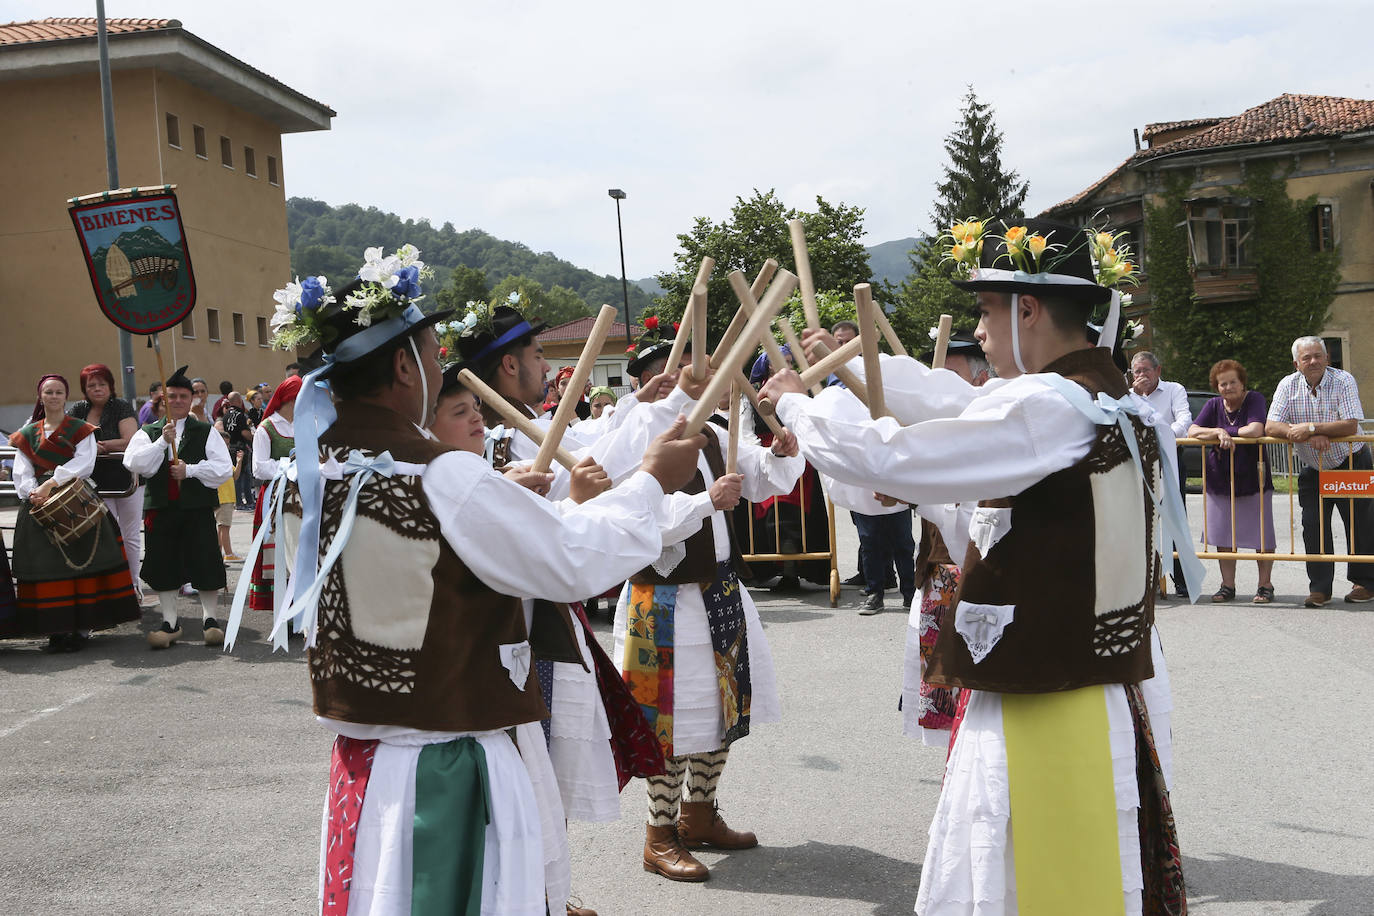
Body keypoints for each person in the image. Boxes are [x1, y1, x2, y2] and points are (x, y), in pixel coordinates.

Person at [764, 216, 1195, 914]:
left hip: (1046, 692)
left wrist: (795, 404)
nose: (982, 330)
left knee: (1013, 874)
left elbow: (895, 456)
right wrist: (849, 363)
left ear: (1027, 309)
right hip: (1084, 681)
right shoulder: (1109, 398)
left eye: (987, 310)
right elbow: (965, 411)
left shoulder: (1053, 407)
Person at [256, 246, 701, 915]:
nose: (443, 368)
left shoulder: (306, 473)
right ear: (404, 366)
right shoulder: (438, 473)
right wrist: (650, 486)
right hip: (447, 767)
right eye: (435, 354)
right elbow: (569, 558)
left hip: (365, 762)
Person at [603, 329, 803, 883]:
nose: (711, 380)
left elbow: (760, 480)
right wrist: (703, 502)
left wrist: (783, 452)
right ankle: (658, 834)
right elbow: (632, 517)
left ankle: (699, 814)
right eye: (699, 370)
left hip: (718, 591)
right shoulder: (641, 432)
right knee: (666, 721)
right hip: (660, 598)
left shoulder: (715, 433)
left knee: (721, 712)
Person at [7, 374, 140, 651]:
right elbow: (22, 468)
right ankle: (55, 629)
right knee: (48, 569)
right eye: (49, 392)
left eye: (58, 392)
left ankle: (81, 629)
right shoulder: (28, 432)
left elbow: (84, 464)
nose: (53, 396)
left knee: (83, 566)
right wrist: (32, 492)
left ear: (65, 397)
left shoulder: (81, 429)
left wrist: (51, 484)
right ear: (40, 397)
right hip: (38, 506)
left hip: (75, 503)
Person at [123, 366, 233, 648]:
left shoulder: (205, 431)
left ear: (192, 400)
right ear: (162, 400)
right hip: (161, 507)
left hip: (196, 507)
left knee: (205, 560)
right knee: (164, 564)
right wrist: (162, 442)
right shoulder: (148, 432)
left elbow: (223, 469)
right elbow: (135, 464)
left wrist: (191, 470)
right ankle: (170, 622)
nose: (178, 401)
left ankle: (210, 620)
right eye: (171, 396)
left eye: (184, 396)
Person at [1265, 335, 1374, 608]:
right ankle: (1320, 589)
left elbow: (1350, 425)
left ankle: (1365, 583)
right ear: (1296, 363)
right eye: (1307, 358)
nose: (1313, 361)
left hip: (1351, 461)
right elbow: (1271, 426)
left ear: (1327, 358)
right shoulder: (1287, 386)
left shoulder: (1343, 380)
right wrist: (1298, 433)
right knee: (1313, 526)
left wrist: (1313, 428)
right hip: (1314, 467)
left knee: (1361, 524)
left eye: (1318, 356)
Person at [1188, 359, 1276, 603]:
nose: (1227, 387)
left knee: (1262, 533)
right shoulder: (1213, 404)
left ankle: (1265, 585)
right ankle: (1228, 585)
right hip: (1219, 478)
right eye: (1222, 383)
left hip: (1253, 477)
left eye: (1232, 382)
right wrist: (1218, 432)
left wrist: (1229, 433)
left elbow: (1255, 430)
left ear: (1242, 382)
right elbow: (1193, 431)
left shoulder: (1255, 399)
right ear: (1217, 387)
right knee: (1223, 534)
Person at [67, 363, 145, 596]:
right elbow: (67, 439)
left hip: (128, 481)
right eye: (92, 385)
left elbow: (131, 439)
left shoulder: (121, 407)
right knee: (106, 533)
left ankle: (133, 585)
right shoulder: (79, 409)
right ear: (84, 388)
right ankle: (110, 587)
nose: (97, 389)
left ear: (110, 386)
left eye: (102, 384)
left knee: (130, 534)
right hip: (96, 483)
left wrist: (100, 447)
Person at [1131, 350, 1193, 597]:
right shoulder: (1128, 395)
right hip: (1140, 462)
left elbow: (1184, 421)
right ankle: (1147, 579)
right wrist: (1134, 396)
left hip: (1170, 459)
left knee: (1175, 518)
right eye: (1137, 371)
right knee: (1142, 521)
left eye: (1146, 370)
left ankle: (1182, 580)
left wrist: (1161, 437)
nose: (1142, 375)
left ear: (1158, 371)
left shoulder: (1173, 390)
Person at [246, 375, 300, 613]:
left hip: (302, 496)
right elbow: (258, 466)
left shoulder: (305, 423)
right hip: (275, 497)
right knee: (278, 551)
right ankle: (283, 612)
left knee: (301, 549)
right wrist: (290, 467)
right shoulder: (266, 428)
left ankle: (301, 609)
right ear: (292, 398)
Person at [218, 391, 255, 509]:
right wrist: (254, 437)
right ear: (239, 401)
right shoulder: (240, 415)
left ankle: (239, 501)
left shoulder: (226, 415)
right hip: (241, 448)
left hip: (230, 447)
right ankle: (246, 502)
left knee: (236, 475)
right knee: (244, 475)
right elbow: (244, 433)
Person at [215, 435, 242, 562]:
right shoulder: (218, 459)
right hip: (223, 498)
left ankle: (219, 554)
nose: (227, 447)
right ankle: (228, 554)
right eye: (224, 444)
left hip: (227, 498)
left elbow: (235, 475)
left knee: (222, 528)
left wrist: (239, 462)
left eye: (228, 444)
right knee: (224, 527)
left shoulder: (224, 459)